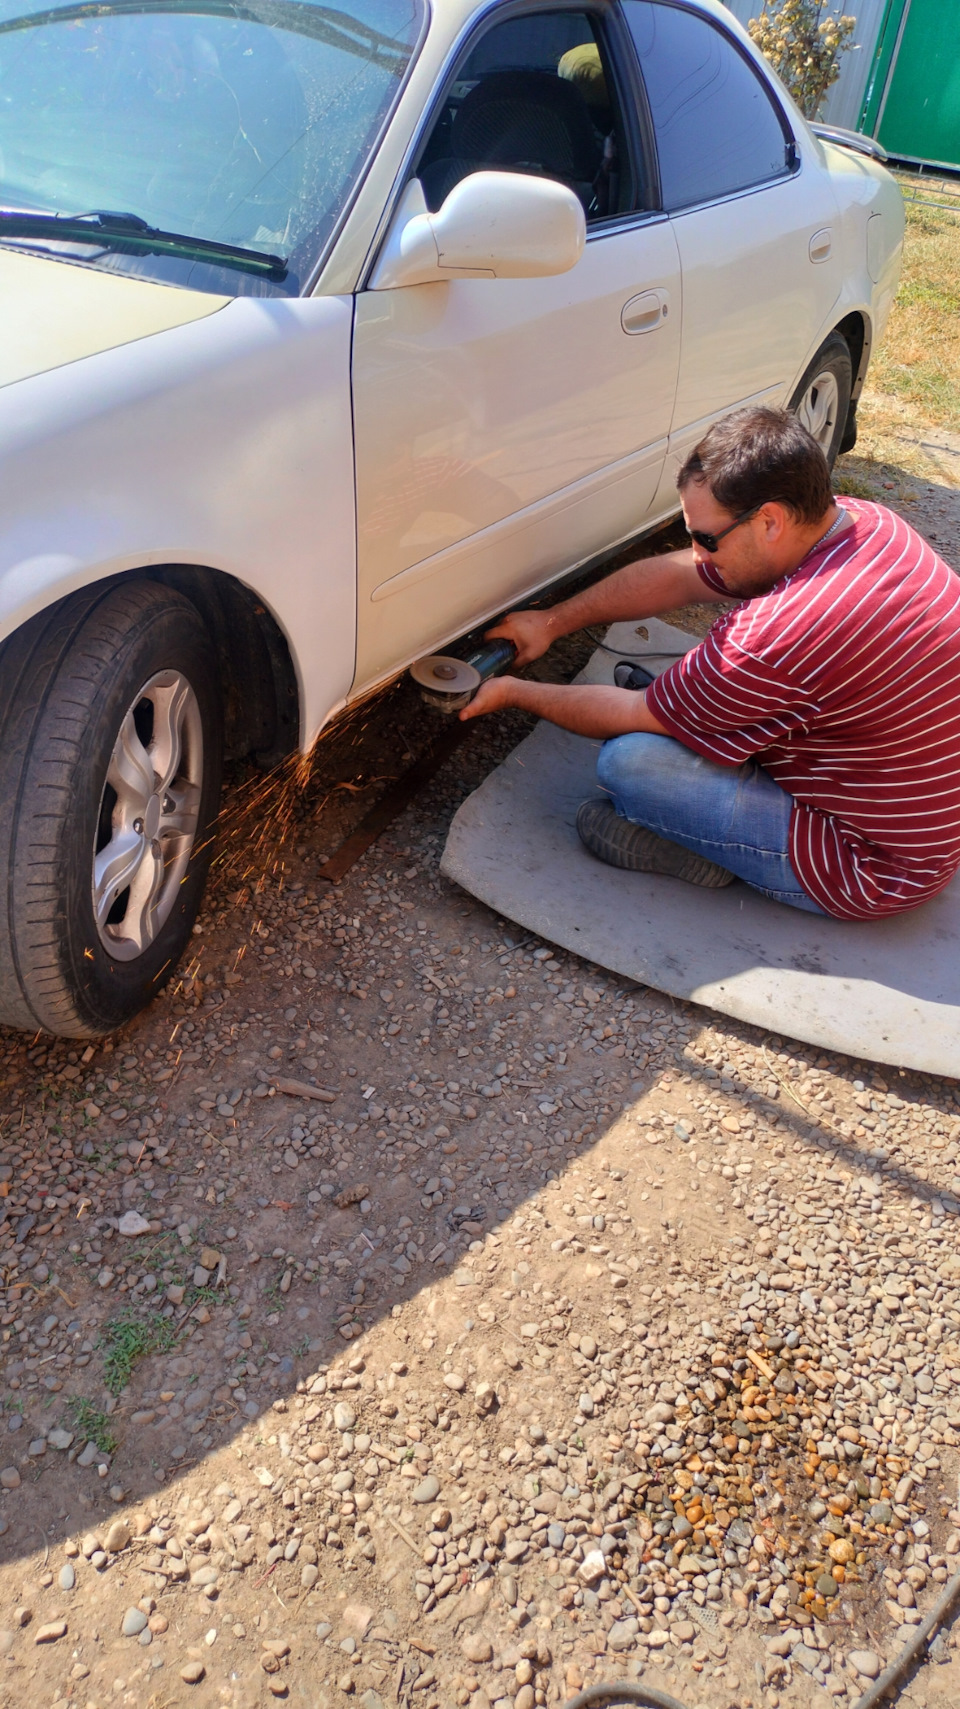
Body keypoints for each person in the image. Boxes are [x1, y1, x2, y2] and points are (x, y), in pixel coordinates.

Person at [459, 406, 960, 921]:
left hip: (870, 865)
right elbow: (678, 577)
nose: (696, 554)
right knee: (686, 704)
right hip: (916, 811)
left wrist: (513, 693)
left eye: (706, 538)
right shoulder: (865, 524)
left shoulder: (776, 635)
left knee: (631, 763)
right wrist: (550, 623)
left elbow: (630, 715)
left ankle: (708, 854)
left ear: (770, 520)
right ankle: (697, 713)